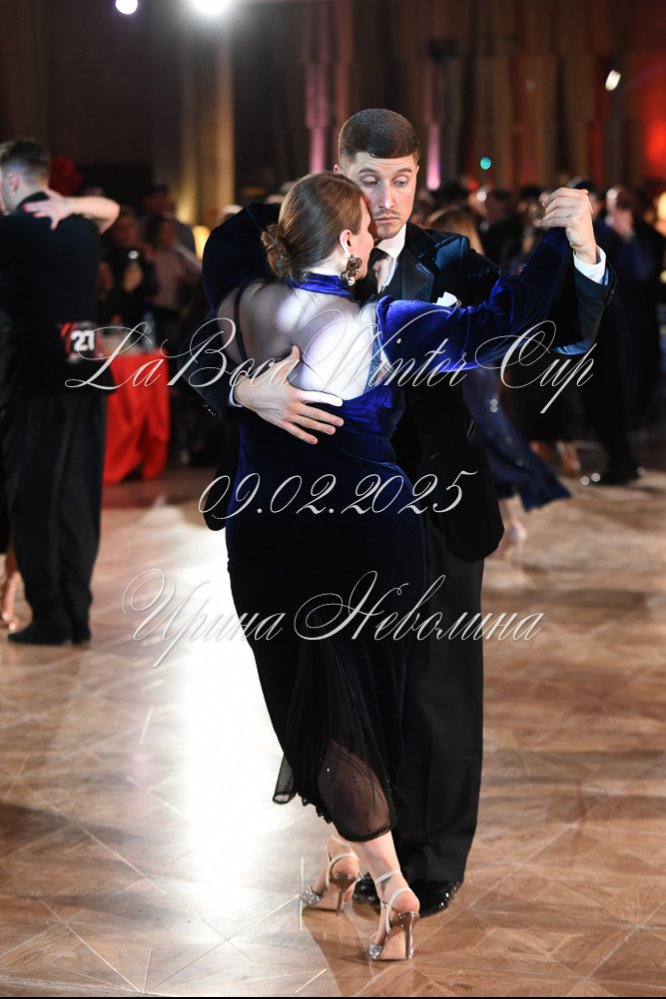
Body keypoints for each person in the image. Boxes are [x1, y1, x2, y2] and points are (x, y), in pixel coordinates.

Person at [196, 110, 613, 919]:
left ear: (419, 178)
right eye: (368, 180)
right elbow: (202, 349)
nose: (386, 200)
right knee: (330, 683)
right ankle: (365, 844)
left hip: (430, 498)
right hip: (303, 514)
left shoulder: (446, 257)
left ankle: (429, 861)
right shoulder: (266, 239)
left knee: (434, 690)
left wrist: (582, 250)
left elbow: (549, 336)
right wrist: (244, 390)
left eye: (402, 181)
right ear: (337, 171)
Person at [0, 138, 119, 645]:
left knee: (35, 499)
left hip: (39, 374)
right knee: (77, 499)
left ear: (11, 180)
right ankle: (77, 616)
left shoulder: (13, 229)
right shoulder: (80, 226)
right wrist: (72, 204)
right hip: (87, 366)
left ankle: (51, 619)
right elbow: (112, 210)